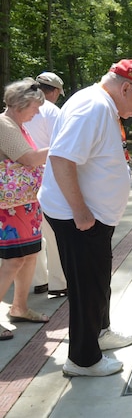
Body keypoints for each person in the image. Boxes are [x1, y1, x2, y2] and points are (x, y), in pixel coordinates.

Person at [38, 59, 132, 375]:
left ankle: (99, 333)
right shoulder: (93, 107)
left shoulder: (101, 105)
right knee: (86, 286)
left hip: (92, 217)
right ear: (126, 87)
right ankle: (83, 359)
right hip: (79, 218)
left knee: (98, 277)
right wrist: (81, 212)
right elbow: (62, 159)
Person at [0, 78, 49, 342]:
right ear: (21, 104)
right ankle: (16, 307)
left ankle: (19, 307)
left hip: (23, 203)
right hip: (11, 206)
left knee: (30, 255)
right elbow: (28, 159)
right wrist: (62, 147)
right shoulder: (4, 124)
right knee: (13, 260)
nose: (38, 112)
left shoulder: (15, 125)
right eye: (35, 106)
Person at [24, 72, 67, 297]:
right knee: (53, 231)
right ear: (55, 91)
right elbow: (61, 147)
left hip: (20, 179)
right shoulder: (54, 112)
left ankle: (39, 279)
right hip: (48, 176)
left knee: (32, 231)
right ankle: (58, 282)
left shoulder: (18, 109)